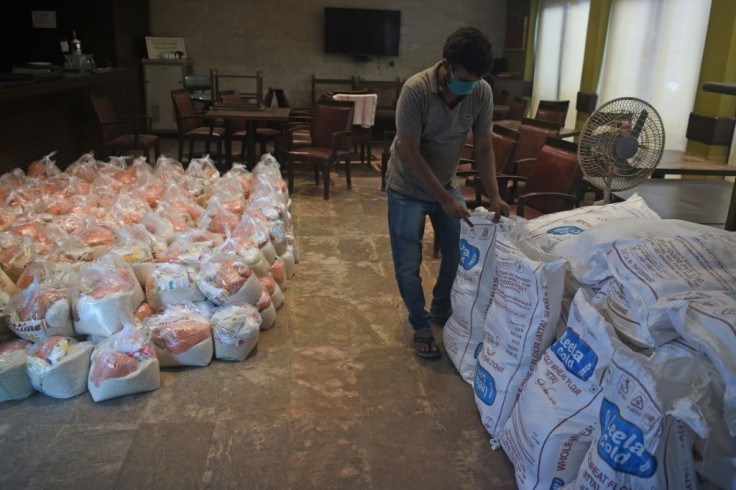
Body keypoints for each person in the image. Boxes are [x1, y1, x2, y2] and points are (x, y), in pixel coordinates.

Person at [385, 27, 509, 359]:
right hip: (407, 187)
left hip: (446, 182)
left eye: (477, 78)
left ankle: (440, 307)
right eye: (465, 78)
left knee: (459, 253)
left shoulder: (480, 92)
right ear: (447, 65)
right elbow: (412, 154)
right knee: (408, 261)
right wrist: (444, 199)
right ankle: (421, 324)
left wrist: (494, 195)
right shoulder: (415, 91)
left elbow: (484, 149)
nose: (470, 86)